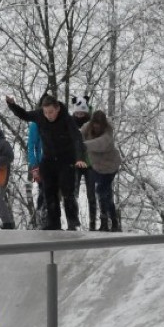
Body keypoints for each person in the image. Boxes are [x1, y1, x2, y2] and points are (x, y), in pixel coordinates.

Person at [6, 94, 87, 230]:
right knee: (49, 191)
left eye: (51, 112)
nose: (48, 115)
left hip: (66, 160)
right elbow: (24, 115)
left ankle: (73, 223)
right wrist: (12, 105)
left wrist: (79, 158)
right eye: (45, 112)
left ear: (57, 109)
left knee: (67, 192)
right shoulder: (39, 115)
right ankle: (54, 223)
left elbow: (77, 138)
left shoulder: (67, 119)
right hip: (48, 160)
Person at [82, 110, 122, 232]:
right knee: (107, 194)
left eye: (99, 124)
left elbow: (99, 144)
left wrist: (83, 145)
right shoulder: (86, 128)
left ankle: (105, 221)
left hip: (110, 167)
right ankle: (114, 222)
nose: (96, 126)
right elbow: (78, 134)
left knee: (100, 190)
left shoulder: (108, 133)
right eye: (95, 123)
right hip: (97, 167)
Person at [71, 95, 97, 230]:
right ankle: (73, 220)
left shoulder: (92, 124)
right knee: (72, 192)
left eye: (82, 112)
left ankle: (93, 222)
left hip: (90, 163)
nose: (80, 115)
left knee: (91, 194)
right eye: (77, 112)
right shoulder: (70, 123)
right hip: (75, 162)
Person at [26, 120, 47, 229]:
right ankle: (40, 219)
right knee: (43, 191)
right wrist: (34, 166)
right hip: (40, 164)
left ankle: (52, 221)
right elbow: (30, 146)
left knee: (53, 193)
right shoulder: (36, 124)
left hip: (55, 164)